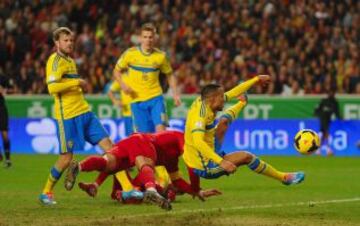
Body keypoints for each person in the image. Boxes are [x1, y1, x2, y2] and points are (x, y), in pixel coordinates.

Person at [183, 77, 305, 191]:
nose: (224, 100)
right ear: (213, 98)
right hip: (204, 165)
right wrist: (222, 162)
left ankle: (241, 104)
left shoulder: (204, 100)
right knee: (246, 157)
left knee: (223, 123)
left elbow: (232, 93)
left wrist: (256, 79)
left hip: (208, 150)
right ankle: (283, 177)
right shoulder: (200, 116)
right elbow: (198, 142)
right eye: (221, 97)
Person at [39, 27, 113, 205]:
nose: (70, 43)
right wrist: (76, 82)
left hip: (85, 111)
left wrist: (78, 85)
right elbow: (52, 88)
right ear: (57, 42)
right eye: (65, 40)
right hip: (68, 116)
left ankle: (126, 190)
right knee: (66, 158)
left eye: (71, 40)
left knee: (111, 149)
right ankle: (46, 192)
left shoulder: (70, 61)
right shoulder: (54, 61)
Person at [65, 131, 221, 209]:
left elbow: (177, 181)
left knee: (109, 164)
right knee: (145, 162)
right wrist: (195, 187)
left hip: (130, 141)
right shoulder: (185, 139)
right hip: (143, 141)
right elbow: (192, 164)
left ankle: (79, 166)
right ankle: (151, 191)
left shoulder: (173, 160)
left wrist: (197, 192)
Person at [113, 22, 181, 133]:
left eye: (150, 37)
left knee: (161, 130)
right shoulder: (130, 54)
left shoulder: (161, 56)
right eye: (145, 37)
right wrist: (122, 84)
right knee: (145, 136)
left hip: (156, 98)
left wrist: (175, 94)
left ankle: (163, 150)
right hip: (137, 100)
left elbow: (170, 75)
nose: (148, 40)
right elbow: (116, 71)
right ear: (140, 38)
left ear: (155, 38)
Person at [314, 89, 342, 156]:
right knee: (326, 133)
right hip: (323, 118)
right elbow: (317, 109)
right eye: (330, 93)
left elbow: (337, 112)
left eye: (333, 93)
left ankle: (319, 150)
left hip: (328, 119)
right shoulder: (324, 101)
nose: (331, 94)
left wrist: (340, 118)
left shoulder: (334, 102)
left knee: (324, 134)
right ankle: (328, 150)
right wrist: (317, 114)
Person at [0, 70, 12, 168]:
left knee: (4, 135)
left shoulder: (3, 78)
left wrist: (4, 90)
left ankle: (8, 159)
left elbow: (12, 89)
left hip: (1, 108)